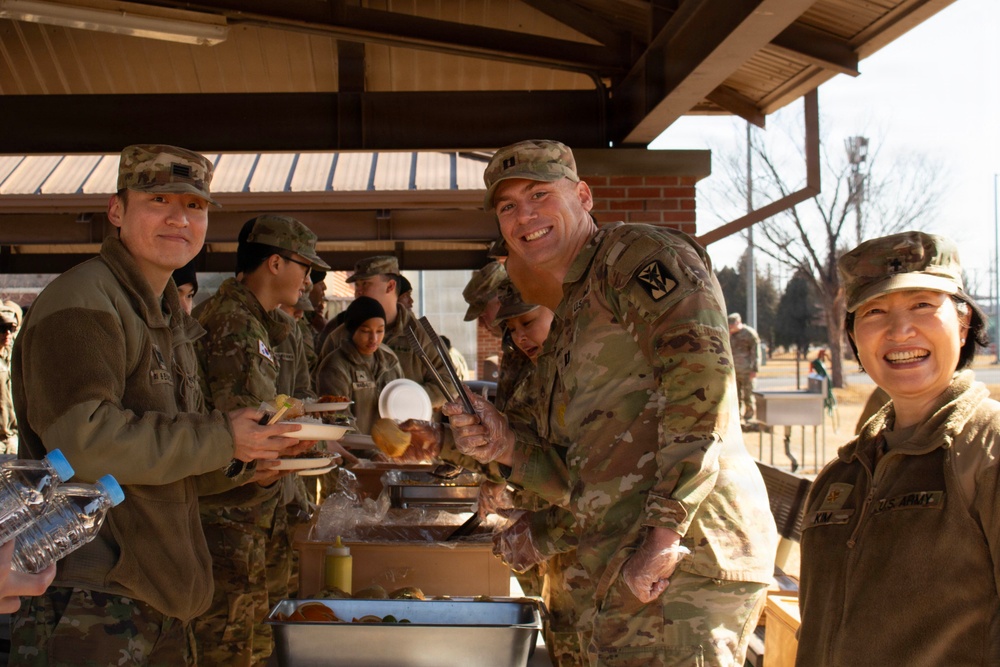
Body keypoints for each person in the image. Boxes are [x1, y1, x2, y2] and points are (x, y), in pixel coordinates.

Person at [436, 139, 776, 666]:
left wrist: (664, 533)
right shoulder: (573, 306)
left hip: (683, 557)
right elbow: (583, 473)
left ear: (584, 196)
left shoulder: (634, 258)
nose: (525, 216)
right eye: (508, 207)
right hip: (621, 555)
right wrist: (504, 443)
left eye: (539, 194)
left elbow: (704, 387)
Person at [9, 144, 304, 665]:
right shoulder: (82, 300)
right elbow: (83, 446)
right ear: (117, 210)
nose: (178, 217)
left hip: (159, 594)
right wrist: (221, 438)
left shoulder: (166, 316)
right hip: (93, 596)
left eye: (195, 206)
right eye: (159, 199)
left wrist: (241, 465)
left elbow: (159, 464)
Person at [796, 231, 997, 666]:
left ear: (963, 325)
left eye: (923, 305)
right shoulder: (844, 472)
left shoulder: (986, 451)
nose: (899, 330)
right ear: (853, 336)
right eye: (875, 311)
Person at [194, 213, 330, 665]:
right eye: (304, 267)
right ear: (275, 263)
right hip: (228, 513)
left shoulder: (255, 321)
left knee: (254, 642)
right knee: (231, 647)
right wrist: (288, 443)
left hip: (248, 507)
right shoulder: (234, 322)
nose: (309, 280)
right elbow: (241, 435)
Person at [318, 255, 450, 407]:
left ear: (390, 286)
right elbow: (319, 387)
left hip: (407, 428)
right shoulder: (340, 335)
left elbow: (448, 384)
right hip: (355, 429)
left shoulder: (419, 336)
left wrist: (406, 399)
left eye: (365, 284)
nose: (357, 292)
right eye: (357, 286)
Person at [315, 296, 404, 435]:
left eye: (380, 331)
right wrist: (367, 451)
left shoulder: (390, 361)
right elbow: (339, 419)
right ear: (352, 330)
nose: (374, 339)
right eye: (366, 331)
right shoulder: (335, 366)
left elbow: (401, 404)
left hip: (387, 451)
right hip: (352, 451)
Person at [728, 312, 761, 422]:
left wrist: (755, 369)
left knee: (748, 394)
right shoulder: (729, 334)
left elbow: (755, 353)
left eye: (733, 325)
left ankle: (749, 416)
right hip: (732, 371)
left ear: (738, 322)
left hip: (747, 370)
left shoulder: (749, 334)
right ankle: (736, 416)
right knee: (734, 395)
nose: (731, 327)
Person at [0, 305, 20, 455]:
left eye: (11, 329)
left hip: (12, 438)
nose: (7, 333)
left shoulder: (12, 358)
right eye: (2, 328)